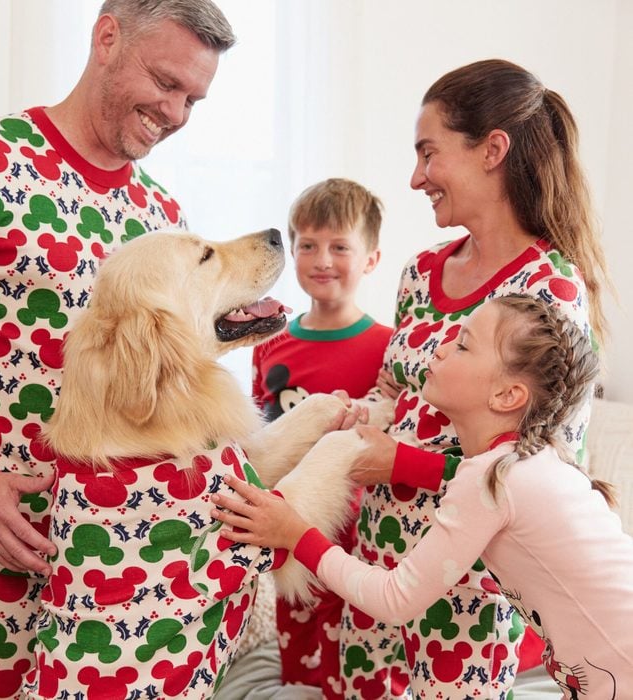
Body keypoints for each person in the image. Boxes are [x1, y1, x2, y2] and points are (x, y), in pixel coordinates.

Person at [226, 58, 610, 700]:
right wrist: (355, 418)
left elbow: (543, 475)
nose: (415, 177)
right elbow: (393, 395)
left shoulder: (550, 290)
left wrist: (399, 462)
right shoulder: (421, 272)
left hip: (465, 591)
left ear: (492, 151)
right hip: (371, 569)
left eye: (429, 154)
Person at [0, 1, 234, 697]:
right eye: (166, 82)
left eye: (194, 98)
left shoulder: (163, 219)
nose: (178, 113)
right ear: (106, 39)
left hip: (127, 577)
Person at [210, 294, 633, 700]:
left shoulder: (492, 480)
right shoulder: (527, 465)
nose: (442, 347)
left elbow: (394, 600)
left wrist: (294, 533)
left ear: (507, 396)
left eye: (463, 345)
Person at [247, 178, 393, 699]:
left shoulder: (387, 346)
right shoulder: (271, 340)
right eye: (307, 245)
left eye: (339, 247)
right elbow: (263, 434)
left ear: (371, 259)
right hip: (292, 522)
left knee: (353, 635)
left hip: (361, 529)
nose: (321, 259)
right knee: (299, 631)